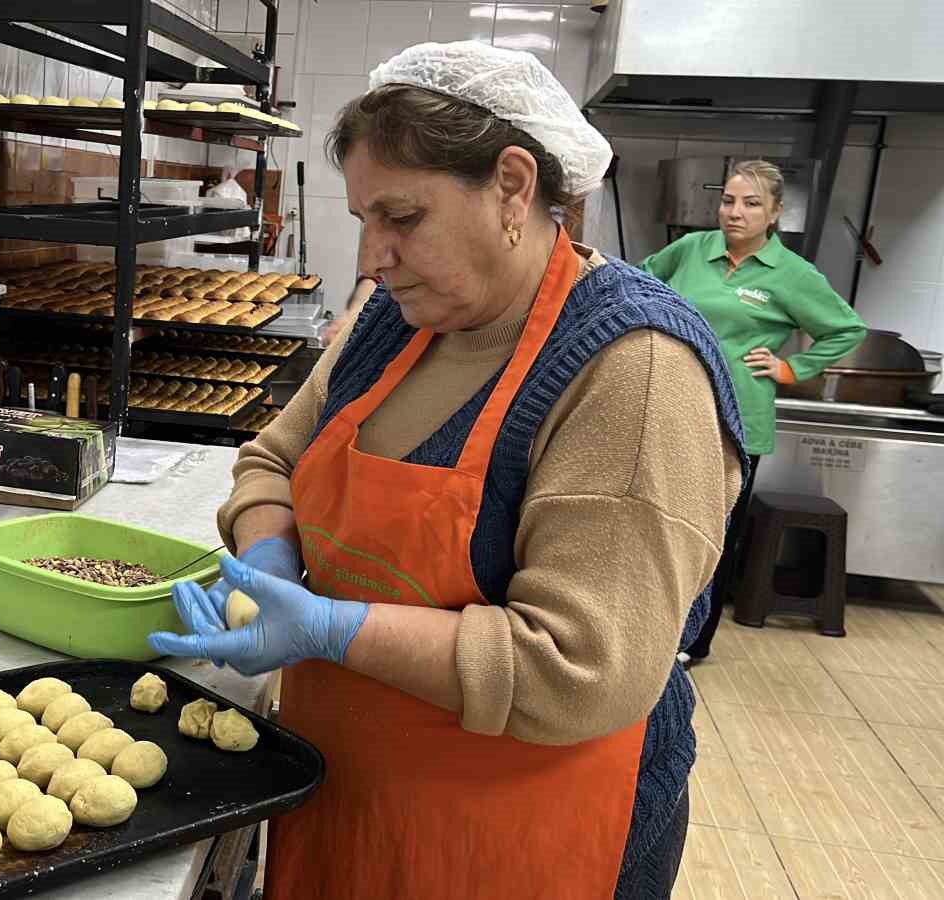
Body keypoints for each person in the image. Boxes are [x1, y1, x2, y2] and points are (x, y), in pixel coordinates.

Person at [148, 41, 746, 899]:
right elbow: (272, 459)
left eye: (403, 218)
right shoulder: (399, 317)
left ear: (512, 186)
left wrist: (330, 630)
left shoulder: (631, 371)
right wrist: (270, 552)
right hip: (349, 786)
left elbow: (580, 668)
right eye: (364, 221)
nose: (371, 257)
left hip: (521, 828)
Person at [641, 160, 866, 664]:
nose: (735, 213)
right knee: (657, 524)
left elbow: (847, 330)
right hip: (669, 405)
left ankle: (691, 642)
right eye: (728, 200)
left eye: (751, 203)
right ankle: (644, 630)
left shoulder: (792, 274)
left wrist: (792, 369)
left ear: (775, 213)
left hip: (736, 419)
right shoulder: (692, 250)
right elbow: (636, 286)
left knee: (713, 535)